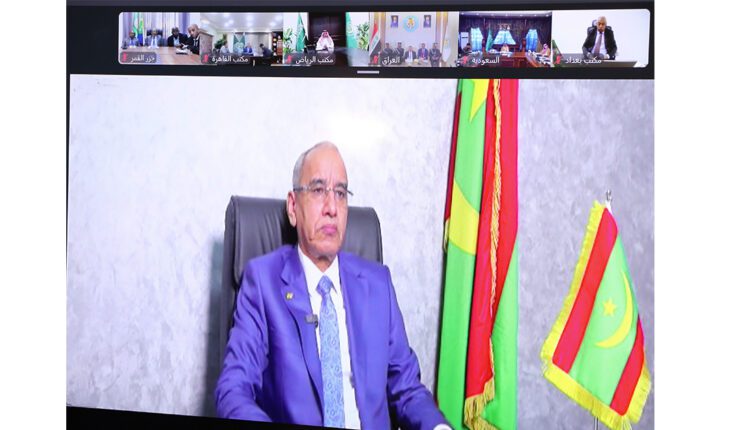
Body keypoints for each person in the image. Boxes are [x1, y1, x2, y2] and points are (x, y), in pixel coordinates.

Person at [215, 142, 449, 430]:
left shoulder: (377, 284)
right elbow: (233, 390)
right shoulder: (263, 282)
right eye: (317, 190)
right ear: (293, 207)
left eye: (340, 193)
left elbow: (408, 389)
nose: (331, 208)